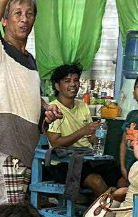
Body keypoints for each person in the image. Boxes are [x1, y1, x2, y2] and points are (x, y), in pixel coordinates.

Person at [0, 0, 61, 205]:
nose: (24, 19)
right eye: (17, 13)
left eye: (29, 13)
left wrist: (46, 109)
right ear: (5, 21)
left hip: (26, 147)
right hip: (7, 145)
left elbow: (29, 98)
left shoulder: (30, 60)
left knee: (12, 213)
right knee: (10, 214)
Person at [45, 63, 114, 200]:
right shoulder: (53, 109)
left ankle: (114, 211)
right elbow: (55, 144)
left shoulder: (82, 106)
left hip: (87, 160)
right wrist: (83, 131)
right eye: (67, 81)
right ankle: (101, 213)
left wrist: (98, 133)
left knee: (120, 179)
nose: (73, 84)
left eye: (76, 80)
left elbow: (90, 140)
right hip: (63, 164)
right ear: (57, 86)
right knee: (97, 182)